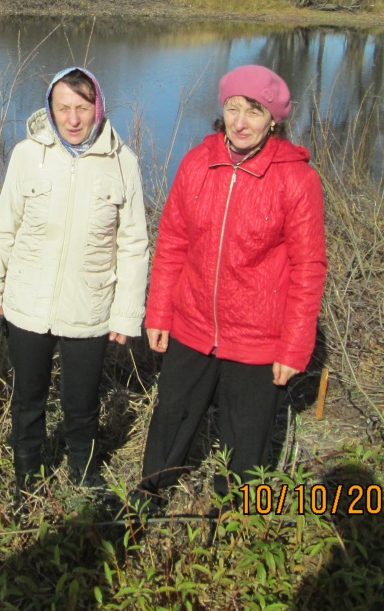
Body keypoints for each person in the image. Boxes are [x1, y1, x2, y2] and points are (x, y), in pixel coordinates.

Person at [137, 65, 326, 508]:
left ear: (274, 119)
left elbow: (308, 267)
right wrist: (159, 313)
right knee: (173, 415)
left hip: (259, 336)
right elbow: (172, 243)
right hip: (193, 323)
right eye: (232, 108)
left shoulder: (296, 179)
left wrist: (293, 347)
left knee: (248, 435)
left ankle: (239, 515)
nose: (240, 122)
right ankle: (151, 492)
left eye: (254, 111)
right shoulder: (197, 162)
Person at [0, 67, 149, 499]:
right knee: (27, 398)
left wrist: (126, 313)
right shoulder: (26, 154)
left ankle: (83, 473)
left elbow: (133, 244)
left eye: (82, 108)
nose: (73, 119)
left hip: (88, 307)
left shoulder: (122, 161)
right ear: (50, 109)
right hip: (26, 304)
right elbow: (3, 229)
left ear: (98, 108)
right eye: (63, 108)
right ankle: (27, 477)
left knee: (81, 402)